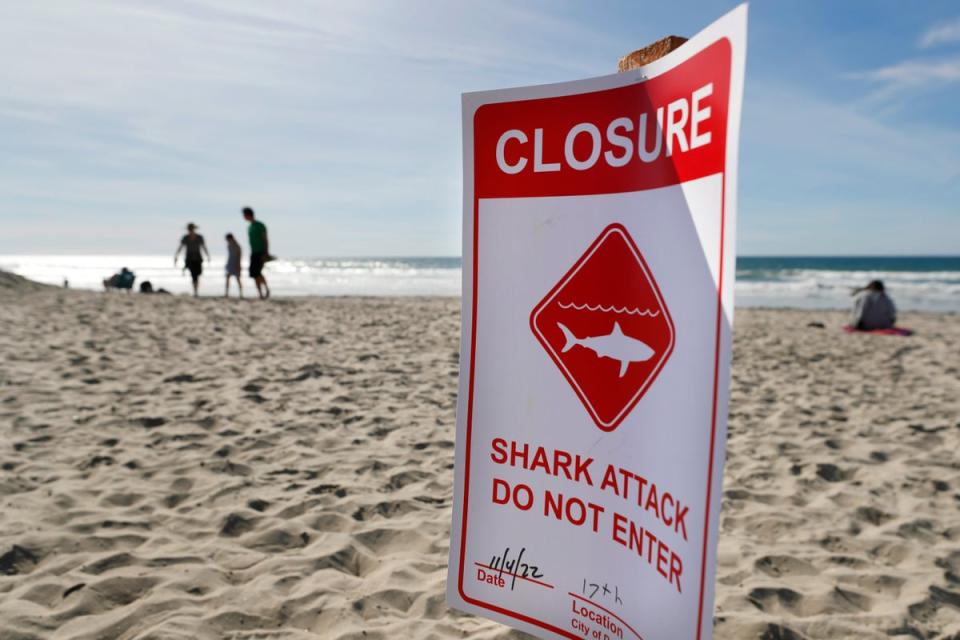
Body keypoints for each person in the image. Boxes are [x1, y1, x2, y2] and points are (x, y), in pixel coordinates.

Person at [174, 223, 210, 297]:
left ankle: (196, 289)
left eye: (192, 229)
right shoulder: (185, 238)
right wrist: (176, 256)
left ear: (194, 229)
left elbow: (204, 247)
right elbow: (180, 247)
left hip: (198, 258)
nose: (190, 230)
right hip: (189, 258)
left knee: (198, 274)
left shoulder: (199, 237)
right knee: (194, 275)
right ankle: (195, 291)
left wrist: (208, 255)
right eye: (189, 229)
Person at [243, 207, 271, 299]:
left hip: (261, 252)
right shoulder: (250, 227)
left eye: (244, 215)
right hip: (253, 253)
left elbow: (265, 239)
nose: (243, 217)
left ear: (248, 215)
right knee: (254, 274)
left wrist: (266, 252)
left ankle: (266, 289)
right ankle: (260, 294)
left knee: (258, 272)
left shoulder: (260, 225)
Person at [225, 233, 243, 298]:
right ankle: (226, 293)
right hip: (230, 263)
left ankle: (241, 293)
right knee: (227, 278)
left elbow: (240, 256)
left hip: (236, 263)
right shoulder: (229, 245)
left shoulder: (237, 246)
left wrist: (238, 264)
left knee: (238, 279)